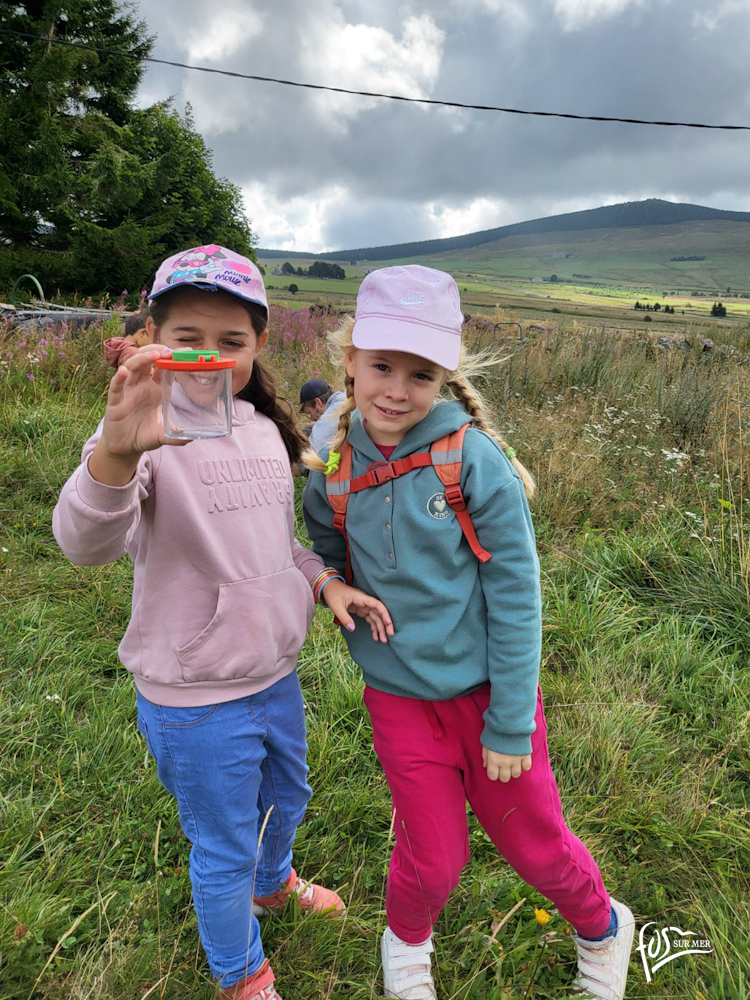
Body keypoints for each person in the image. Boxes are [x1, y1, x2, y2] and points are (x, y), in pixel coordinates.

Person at [52, 245, 393, 1000]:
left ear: (258, 344)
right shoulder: (140, 431)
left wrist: (324, 582)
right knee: (224, 844)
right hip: (195, 697)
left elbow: (277, 545)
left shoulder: (266, 430)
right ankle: (240, 974)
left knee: (289, 798)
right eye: (188, 338)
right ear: (152, 337)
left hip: (273, 674)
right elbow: (83, 545)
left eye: (230, 341)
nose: (209, 356)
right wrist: (114, 455)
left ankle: (273, 884)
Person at [302, 265, 635, 1000]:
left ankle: (604, 926)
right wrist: (330, 584)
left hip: (491, 702)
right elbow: (322, 550)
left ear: (446, 375)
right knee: (434, 858)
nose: (396, 390)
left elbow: (516, 597)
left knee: (536, 847)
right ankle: (405, 943)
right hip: (397, 700)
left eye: (420, 374)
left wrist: (511, 723)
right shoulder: (334, 466)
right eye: (381, 366)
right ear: (349, 359)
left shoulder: (472, 460)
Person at [298, 377, 346, 455]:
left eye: (309, 413)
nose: (311, 418)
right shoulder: (346, 398)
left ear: (318, 403)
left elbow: (313, 453)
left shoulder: (332, 415)